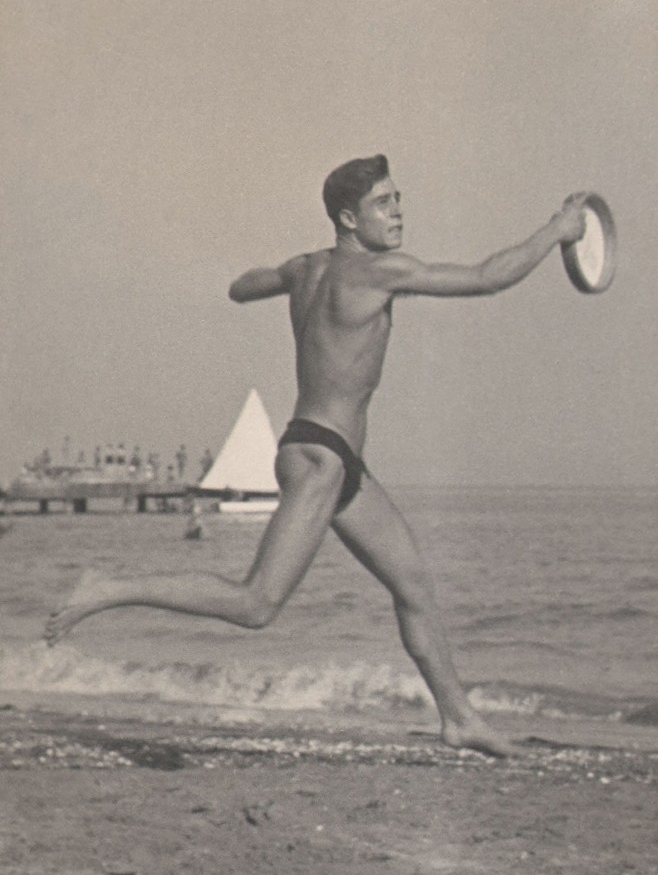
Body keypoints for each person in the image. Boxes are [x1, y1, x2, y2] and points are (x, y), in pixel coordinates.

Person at [45, 155, 586, 756]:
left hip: (333, 457)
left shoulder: (306, 269)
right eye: (385, 203)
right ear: (350, 218)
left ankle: (459, 718)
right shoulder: (381, 272)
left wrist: (290, 277)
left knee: (413, 586)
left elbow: (239, 288)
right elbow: (488, 275)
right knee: (256, 604)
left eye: (399, 198)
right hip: (321, 458)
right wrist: (556, 230)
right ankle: (107, 586)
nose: (399, 211)